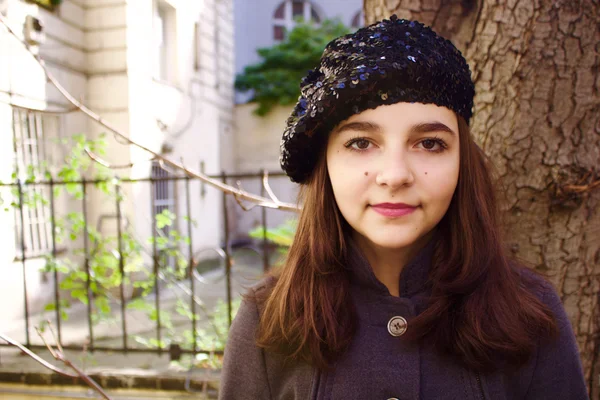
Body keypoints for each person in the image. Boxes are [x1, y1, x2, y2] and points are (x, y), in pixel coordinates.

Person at [219, 15, 589, 400]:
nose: (394, 176)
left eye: (429, 143)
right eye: (361, 143)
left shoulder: (530, 314)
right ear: (325, 163)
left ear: (463, 161)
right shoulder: (268, 320)